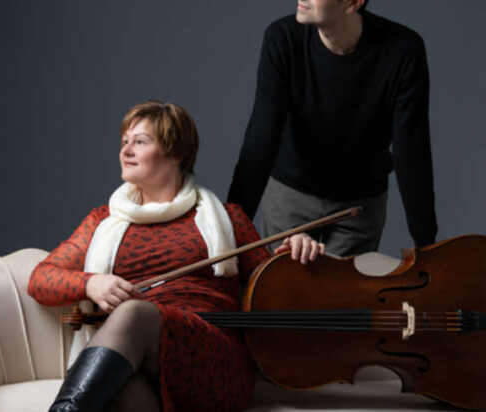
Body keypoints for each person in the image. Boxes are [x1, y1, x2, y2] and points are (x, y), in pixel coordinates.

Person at [28, 100, 325, 411]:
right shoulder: (101, 221)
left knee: (133, 313)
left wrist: (293, 253)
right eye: (124, 141)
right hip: (143, 362)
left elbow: (273, 290)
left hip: (214, 360)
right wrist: (91, 283)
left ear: (175, 153)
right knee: (117, 389)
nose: (125, 151)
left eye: (140, 142)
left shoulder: (227, 217)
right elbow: (41, 279)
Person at [228, 0, 437, 256]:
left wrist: (428, 248)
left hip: (359, 207)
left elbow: (412, 149)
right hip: (289, 195)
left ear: (354, 1)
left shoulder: (403, 50)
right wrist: (231, 230)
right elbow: (261, 136)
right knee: (281, 288)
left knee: (345, 291)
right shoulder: (282, 38)